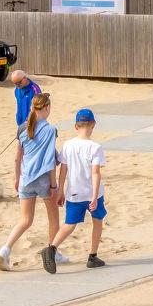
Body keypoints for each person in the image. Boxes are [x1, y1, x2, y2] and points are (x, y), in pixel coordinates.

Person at [0, 91, 60, 271]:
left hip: (26, 178)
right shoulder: (50, 130)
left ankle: (5, 249)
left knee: (25, 220)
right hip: (43, 179)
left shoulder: (23, 128)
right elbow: (50, 161)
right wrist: (53, 185)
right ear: (47, 108)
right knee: (54, 219)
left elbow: (17, 158)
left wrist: (17, 177)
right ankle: (53, 252)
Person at [44, 108, 106, 271]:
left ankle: (51, 249)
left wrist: (61, 191)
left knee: (70, 224)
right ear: (93, 125)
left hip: (74, 192)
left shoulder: (68, 145)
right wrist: (94, 196)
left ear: (76, 126)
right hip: (92, 193)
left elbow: (63, 170)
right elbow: (96, 173)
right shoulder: (95, 147)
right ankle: (92, 256)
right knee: (97, 221)